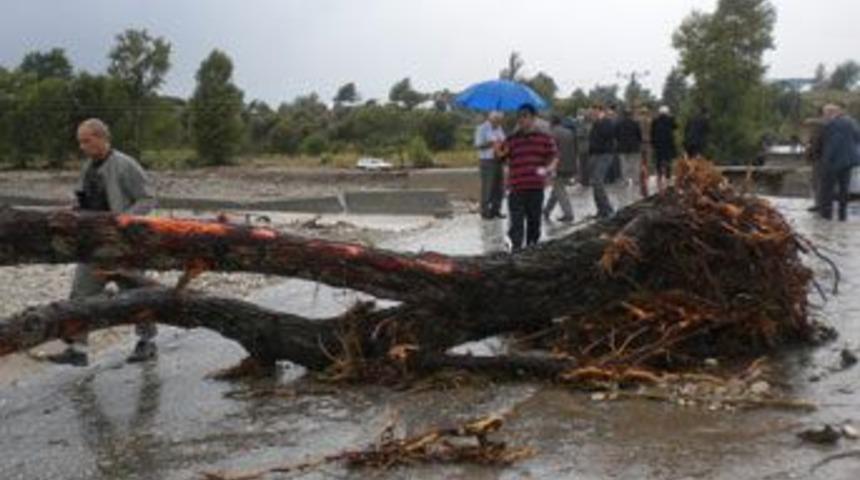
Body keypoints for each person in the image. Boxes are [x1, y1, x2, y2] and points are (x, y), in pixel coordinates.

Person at [47, 119, 158, 367]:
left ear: (100, 138)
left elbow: (148, 199)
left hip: (124, 245)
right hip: (93, 244)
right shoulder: (87, 167)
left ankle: (147, 343)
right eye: (80, 142)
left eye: (86, 141)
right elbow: (84, 200)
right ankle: (78, 349)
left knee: (136, 294)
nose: (82, 146)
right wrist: (72, 209)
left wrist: (124, 220)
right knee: (81, 294)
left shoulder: (126, 164)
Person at [503, 104, 558, 252]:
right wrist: (498, 151)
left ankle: (531, 251)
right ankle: (516, 252)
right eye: (519, 116)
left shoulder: (544, 138)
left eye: (525, 116)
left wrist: (549, 169)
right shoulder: (511, 139)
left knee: (534, 223)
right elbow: (503, 159)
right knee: (516, 224)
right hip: (516, 188)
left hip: (535, 188)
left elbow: (553, 156)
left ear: (533, 118)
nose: (521, 119)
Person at [819, 103, 860, 221]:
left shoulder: (830, 125)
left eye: (825, 113)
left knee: (827, 189)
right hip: (849, 161)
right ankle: (843, 215)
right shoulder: (852, 122)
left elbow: (832, 145)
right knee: (844, 189)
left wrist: (825, 160)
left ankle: (826, 216)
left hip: (833, 161)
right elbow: (858, 137)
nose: (824, 116)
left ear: (831, 113)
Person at [474, 111, 507, 219]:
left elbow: (504, 140)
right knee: (487, 187)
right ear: (491, 119)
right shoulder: (482, 128)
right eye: (496, 121)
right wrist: (491, 144)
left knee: (499, 186)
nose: (498, 123)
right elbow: (478, 145)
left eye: (499, 121)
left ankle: (496, 209)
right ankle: (485, 211)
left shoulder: (499, 128)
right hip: (487, 160)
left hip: (498, 159)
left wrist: (502, 145)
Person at [543, 115, 576, 222]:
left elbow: (550, 152)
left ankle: (568, 214)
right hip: (570, 165)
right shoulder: (569, 132)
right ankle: (547, 211)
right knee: (557, 189)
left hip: (557, 166)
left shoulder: (551, 134)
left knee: (559, 189)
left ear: (551, 123)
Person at [587, 104, 617, 218]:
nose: (591, 114)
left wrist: (599, 121)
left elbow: (608, 135)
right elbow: (592, 139)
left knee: (598, 182)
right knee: (595, 183)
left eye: (593, 111)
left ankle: (608, 209)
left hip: (605, 155)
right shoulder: (595, 123)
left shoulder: (606, 122)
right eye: (591, 112)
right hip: (595, 155)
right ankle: (601, 210)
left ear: (600, 111)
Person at [651, 106, 678, 191]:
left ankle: (659, 177)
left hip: (658, 145)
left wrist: (653, 143)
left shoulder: (655, 120)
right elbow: (676, 126)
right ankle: (668, 177)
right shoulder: (670, 120)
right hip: (668, 144)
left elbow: (652, 132)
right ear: (667, 112)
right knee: (668, 160)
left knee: (659, 161)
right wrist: (672, 117)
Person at [615, 109, 643, 191]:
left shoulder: (619, 124)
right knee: (635, 164)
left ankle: (625, 180)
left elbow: (616, 135)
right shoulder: (635, 123)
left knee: (624, 165)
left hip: (622, 147)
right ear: (631, 115)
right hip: (634, 147)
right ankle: (636, 180)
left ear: (623, 115)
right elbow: (639, 135)